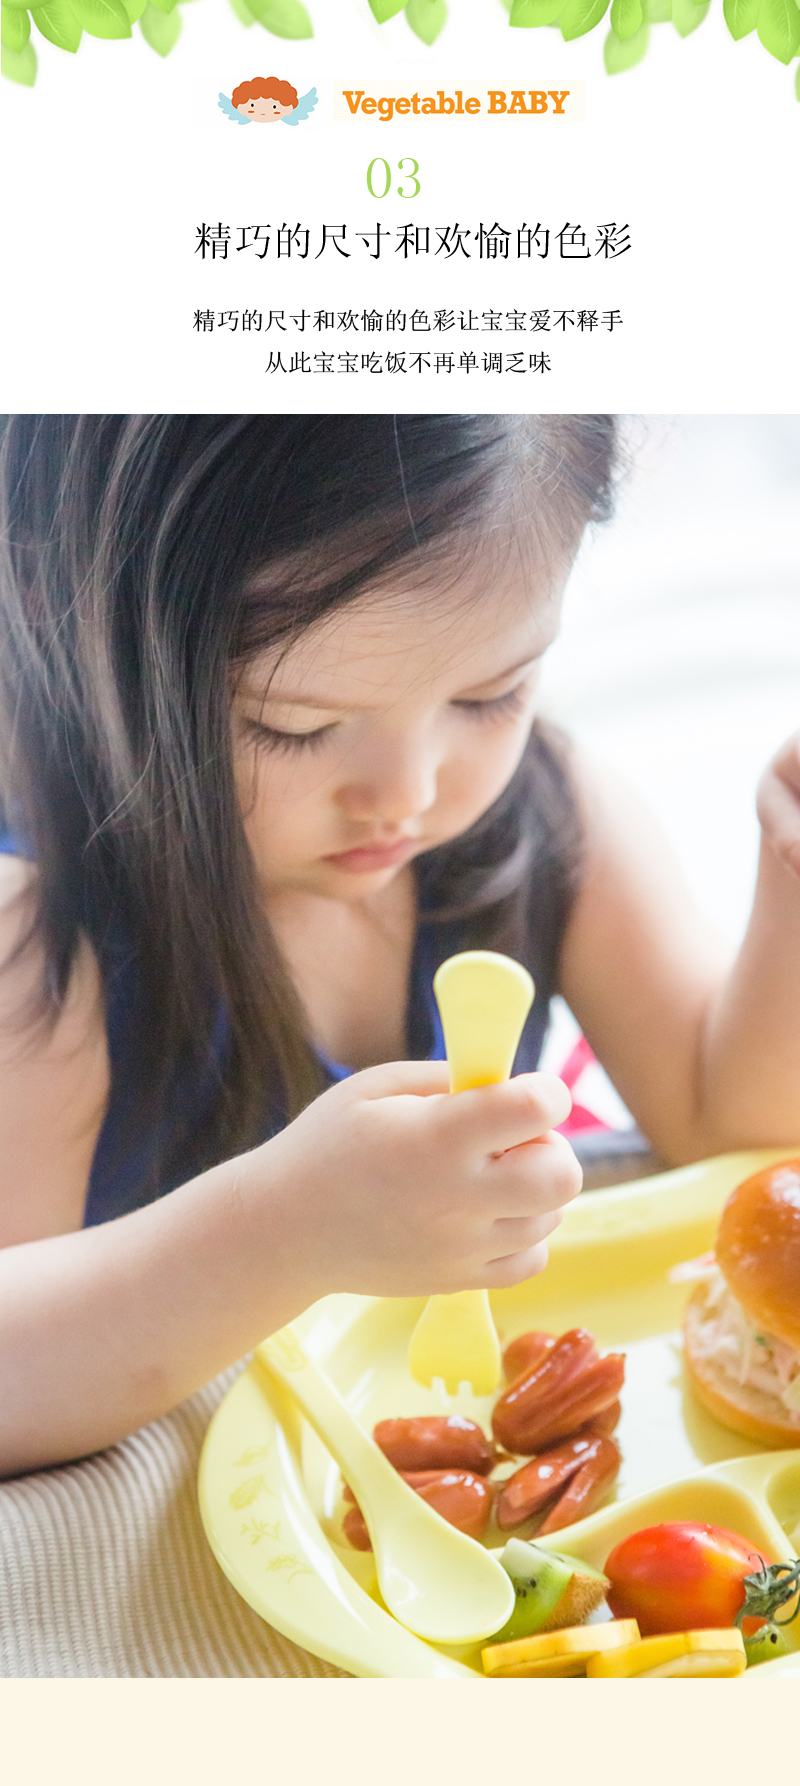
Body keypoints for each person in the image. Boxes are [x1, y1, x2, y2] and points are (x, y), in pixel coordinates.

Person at [1, 415, 798, 1480]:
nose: (409, 794)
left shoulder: (546, 813)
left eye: (488, 694)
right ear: (69, 616)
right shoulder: (39, 945)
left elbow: (731, 1128)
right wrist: (277, 1234)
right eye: (294, 724)